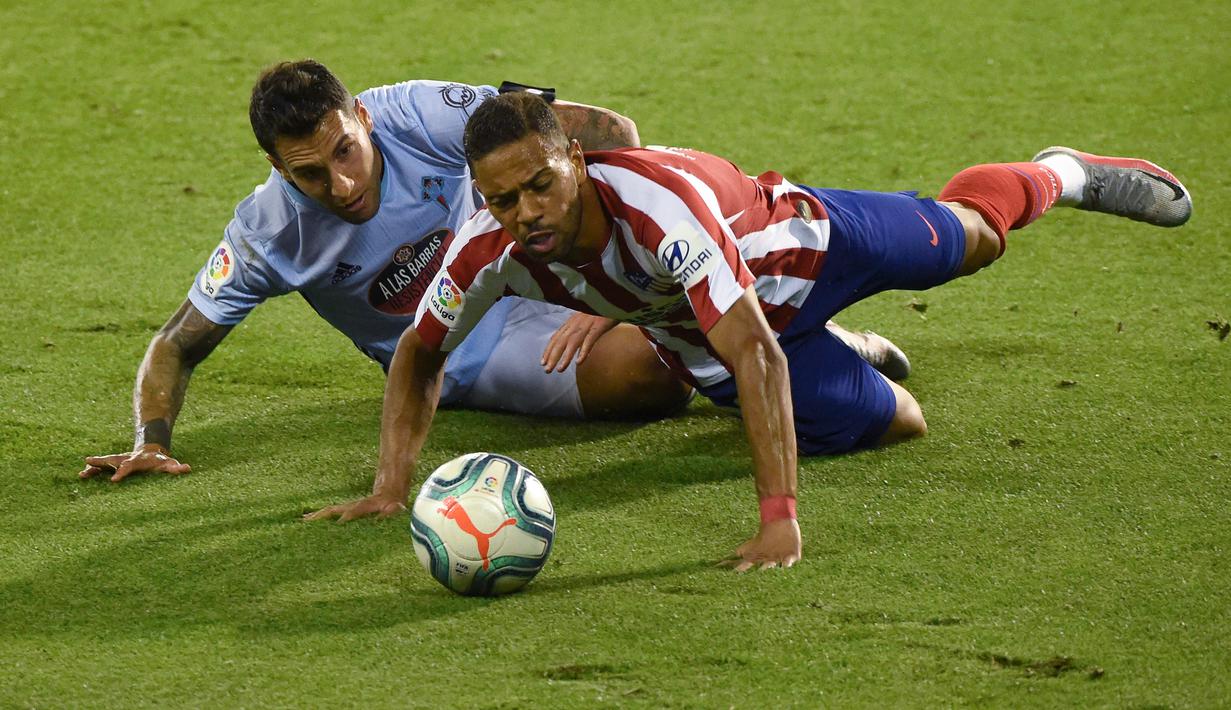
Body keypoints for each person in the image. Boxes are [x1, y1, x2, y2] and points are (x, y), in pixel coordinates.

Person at [311, 91, 1191, 570]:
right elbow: (420, 351)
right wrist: (393, 483)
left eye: (539, 184)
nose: (524, 212)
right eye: (501, 199)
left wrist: (779, 520)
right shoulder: (486, 248)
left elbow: (755, 349)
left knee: (972, 239)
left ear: (573, 158)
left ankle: (1058, 173)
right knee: (897, 424)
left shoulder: (658, 208)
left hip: (806, 247)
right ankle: (847, 352)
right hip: (710, 336)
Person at [78, 60, 907, 486]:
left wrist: (609, 271)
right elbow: (176, 343)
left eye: (345, 151)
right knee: (649, 379)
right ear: (272, 166)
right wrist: (149, 442)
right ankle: (820, 349)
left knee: (690, 303)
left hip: (547, 269)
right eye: (308, 174)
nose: (341, 184)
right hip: (473, 345)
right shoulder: (265, 234)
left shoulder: (417, 110)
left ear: (362, 117)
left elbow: (600, 126)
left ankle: (823, 339)